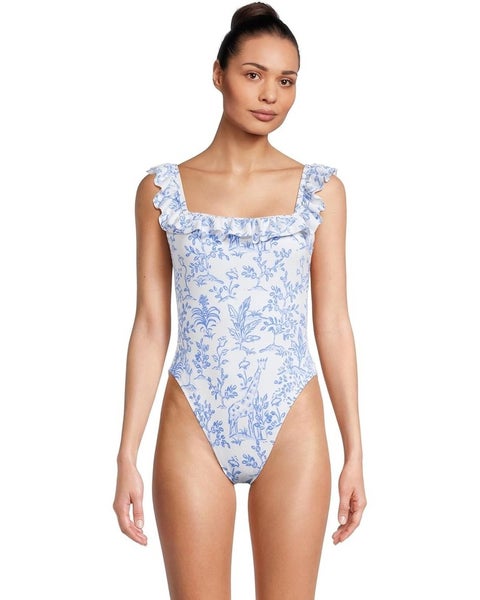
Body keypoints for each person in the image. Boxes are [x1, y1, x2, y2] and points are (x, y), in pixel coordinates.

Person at [113, 2, 366, 598]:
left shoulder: (320, 191)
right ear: (218, 73)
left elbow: (333, 322)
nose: (270, 94)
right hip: (193, 420)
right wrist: (126, 452)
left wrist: (355, 450)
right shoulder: (162, 190)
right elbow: (150, 325)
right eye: (253, 74)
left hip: (292, 421)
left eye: (287, 80)